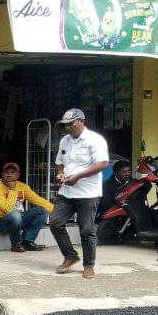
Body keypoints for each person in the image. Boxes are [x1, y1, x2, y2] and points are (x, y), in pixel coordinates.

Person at [50, 108, 109, 278]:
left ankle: (88, 265)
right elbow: (59, 162)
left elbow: (103, 163)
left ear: (81, 121)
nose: (67, 127)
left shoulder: (95, 140)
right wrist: (60, 174)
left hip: (88, 193)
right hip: (67, 191)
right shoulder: (64, 141)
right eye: (65, 125)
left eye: (71, 124)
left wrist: (78, 176)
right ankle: (70, 256)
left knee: (87, 231)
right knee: (55, 223)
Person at [0, 163, 53, 253]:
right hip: (0, 222)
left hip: (17, 219)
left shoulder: (22, 186)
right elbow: (7, 209)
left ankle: (27, 241)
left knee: (42, 211)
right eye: (6, 172)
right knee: (15, 214)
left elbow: (37, 199)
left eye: (12, 172)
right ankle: (16, 244)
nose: (9, 174)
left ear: (18, 175)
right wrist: (12, 190)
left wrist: (55, 211)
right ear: (2, 174)